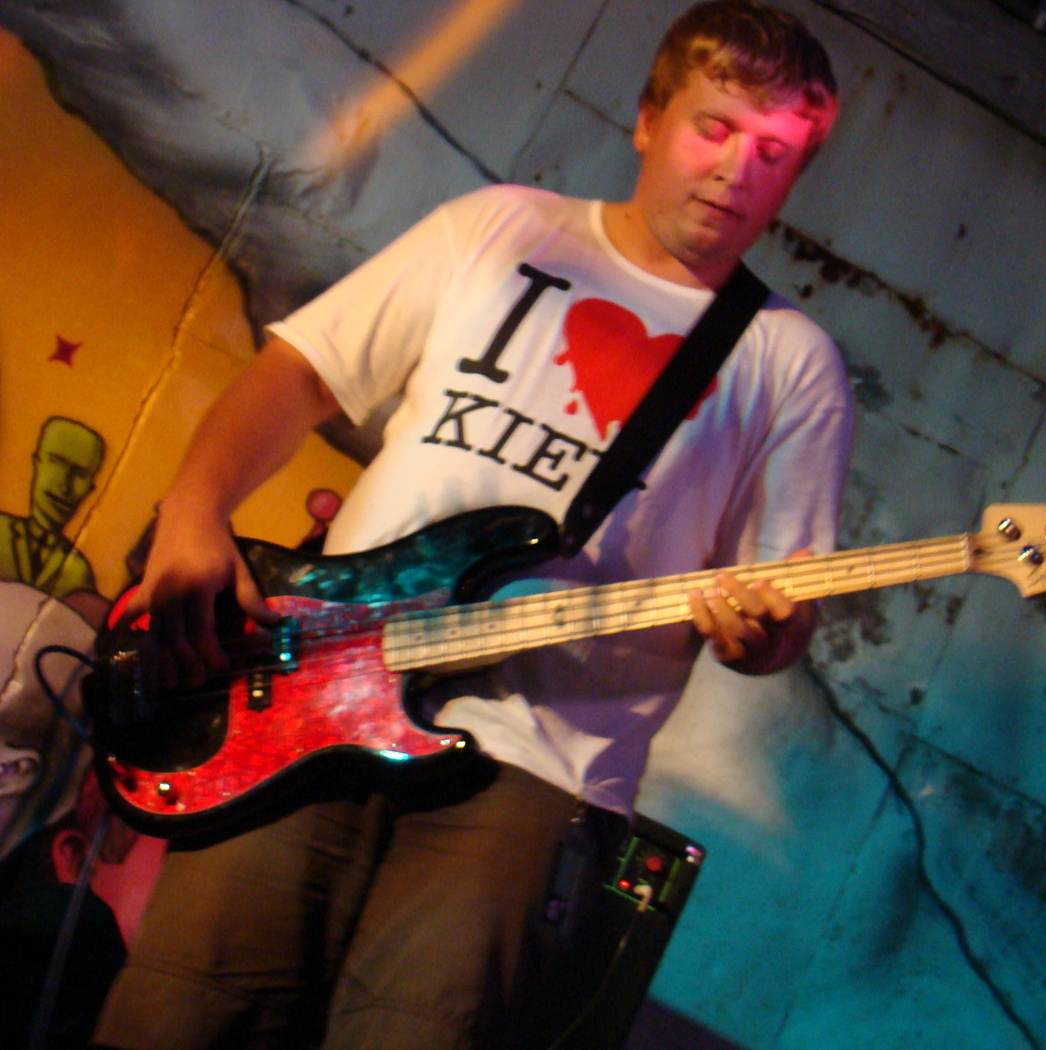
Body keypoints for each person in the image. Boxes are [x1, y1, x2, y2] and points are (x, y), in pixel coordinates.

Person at [94, 2, 852, 1047]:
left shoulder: (788, 361)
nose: (735, 169)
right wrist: (191, 512)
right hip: (315, 689)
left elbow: (781, 604)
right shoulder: (501, 227)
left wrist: (764, 632)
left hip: (535, 767)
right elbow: (301, 372)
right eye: (713, 127)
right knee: (187, 1012)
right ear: (648, 120)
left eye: (772, 152)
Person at [0, 416, 105, 600]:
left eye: (80, 474)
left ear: (90, 489)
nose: (64, 486)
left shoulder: (78, 573)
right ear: (37, 462)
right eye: (56, 462)